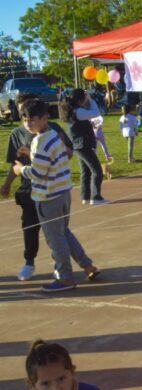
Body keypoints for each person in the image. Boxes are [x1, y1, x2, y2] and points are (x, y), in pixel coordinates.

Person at [12, 98, 100, 292]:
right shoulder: (53, 135)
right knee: (64, 233)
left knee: (55, 239)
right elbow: (51, 159)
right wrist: (32, 155)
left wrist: (21, 170)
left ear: (44, 118)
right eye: (25, 120)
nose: (28, 124)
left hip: (48, 197)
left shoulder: (40, 141)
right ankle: (87, 265)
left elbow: (38, 173)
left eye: (33, 119)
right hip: (62, 193)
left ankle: (65, 277)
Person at [1, 93, 73, 282]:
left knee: (57, 234)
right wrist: (7, 183)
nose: (27, 119)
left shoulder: (50, 131)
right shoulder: (17, 134)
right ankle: (29, 262)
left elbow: (66, 154)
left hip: (50, 191)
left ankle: (63, 270)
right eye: (22, 113)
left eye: (30, 115)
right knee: (30, 228)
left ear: (42, 116)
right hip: (31, 191)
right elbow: (15, 163)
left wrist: (56, 147)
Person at [60, 88, 107, 205]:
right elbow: (95, 113)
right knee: (97, 170)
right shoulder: (78, 111)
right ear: (80, 99)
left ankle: (85, 197)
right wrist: (91, 99)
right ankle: (96, 197)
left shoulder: (73, 111)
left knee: (85, 171)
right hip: (82, 144)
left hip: (78, 144)